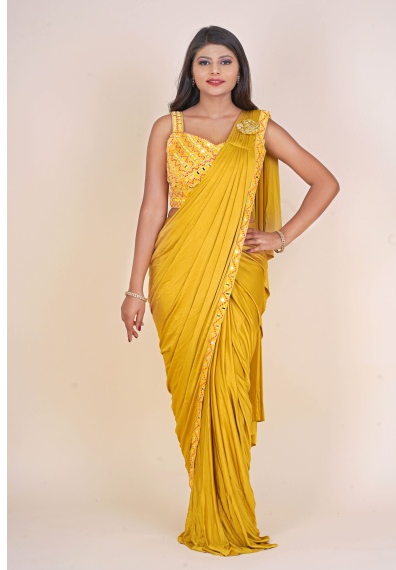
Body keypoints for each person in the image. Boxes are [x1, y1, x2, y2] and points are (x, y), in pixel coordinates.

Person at [120, 25, 340, 556]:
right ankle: (206, 506)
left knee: (229, 386)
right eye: (204, 61)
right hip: (178, 270)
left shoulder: (258, 128)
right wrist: (134, 289)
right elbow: (152, 207)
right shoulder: (168, 128)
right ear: (191, 71)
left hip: (238, 273)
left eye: (225, 61)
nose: (215, 70)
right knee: (190, 390)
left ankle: (231, 512)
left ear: (240, 69)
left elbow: (325, 182)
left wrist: (281, 235)